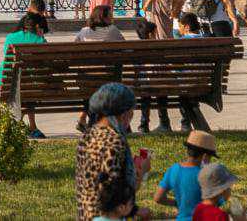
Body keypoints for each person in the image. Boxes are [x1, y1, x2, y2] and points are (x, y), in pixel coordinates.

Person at [74, 83, 152, 221]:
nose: (131, 118)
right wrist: (141, 173)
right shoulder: (114, 141)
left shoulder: (87, 135)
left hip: (85, 214)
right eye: (131, 113)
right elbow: (112, 191)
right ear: (123, 114)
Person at [0, 11, 48, 138]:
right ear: (37, 27)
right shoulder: (40, 40)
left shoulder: (10, 37)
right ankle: (32, 127)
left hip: (5, 86)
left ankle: (2, 123)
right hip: (30, 88)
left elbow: (7, 57)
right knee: (27, 87)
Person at [154, 130, 218, 221]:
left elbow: (158, 198)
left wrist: (178, 203)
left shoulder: (174, 169)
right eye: (210, 157)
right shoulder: (206, 176)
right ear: (204, 156)